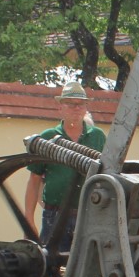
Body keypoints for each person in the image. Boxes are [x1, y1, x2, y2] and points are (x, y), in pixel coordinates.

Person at [23, 85, 107, 252]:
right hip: (54, 215)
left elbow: (106, 176)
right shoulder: (48, 137)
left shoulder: (97, 137)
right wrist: (28, 219)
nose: (76, 108)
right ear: (60, 107)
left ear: (85, 108)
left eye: (80, 104)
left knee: (84, 265)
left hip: (88, 214)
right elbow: (34, 179)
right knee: (50, 263)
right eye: (70, 103)